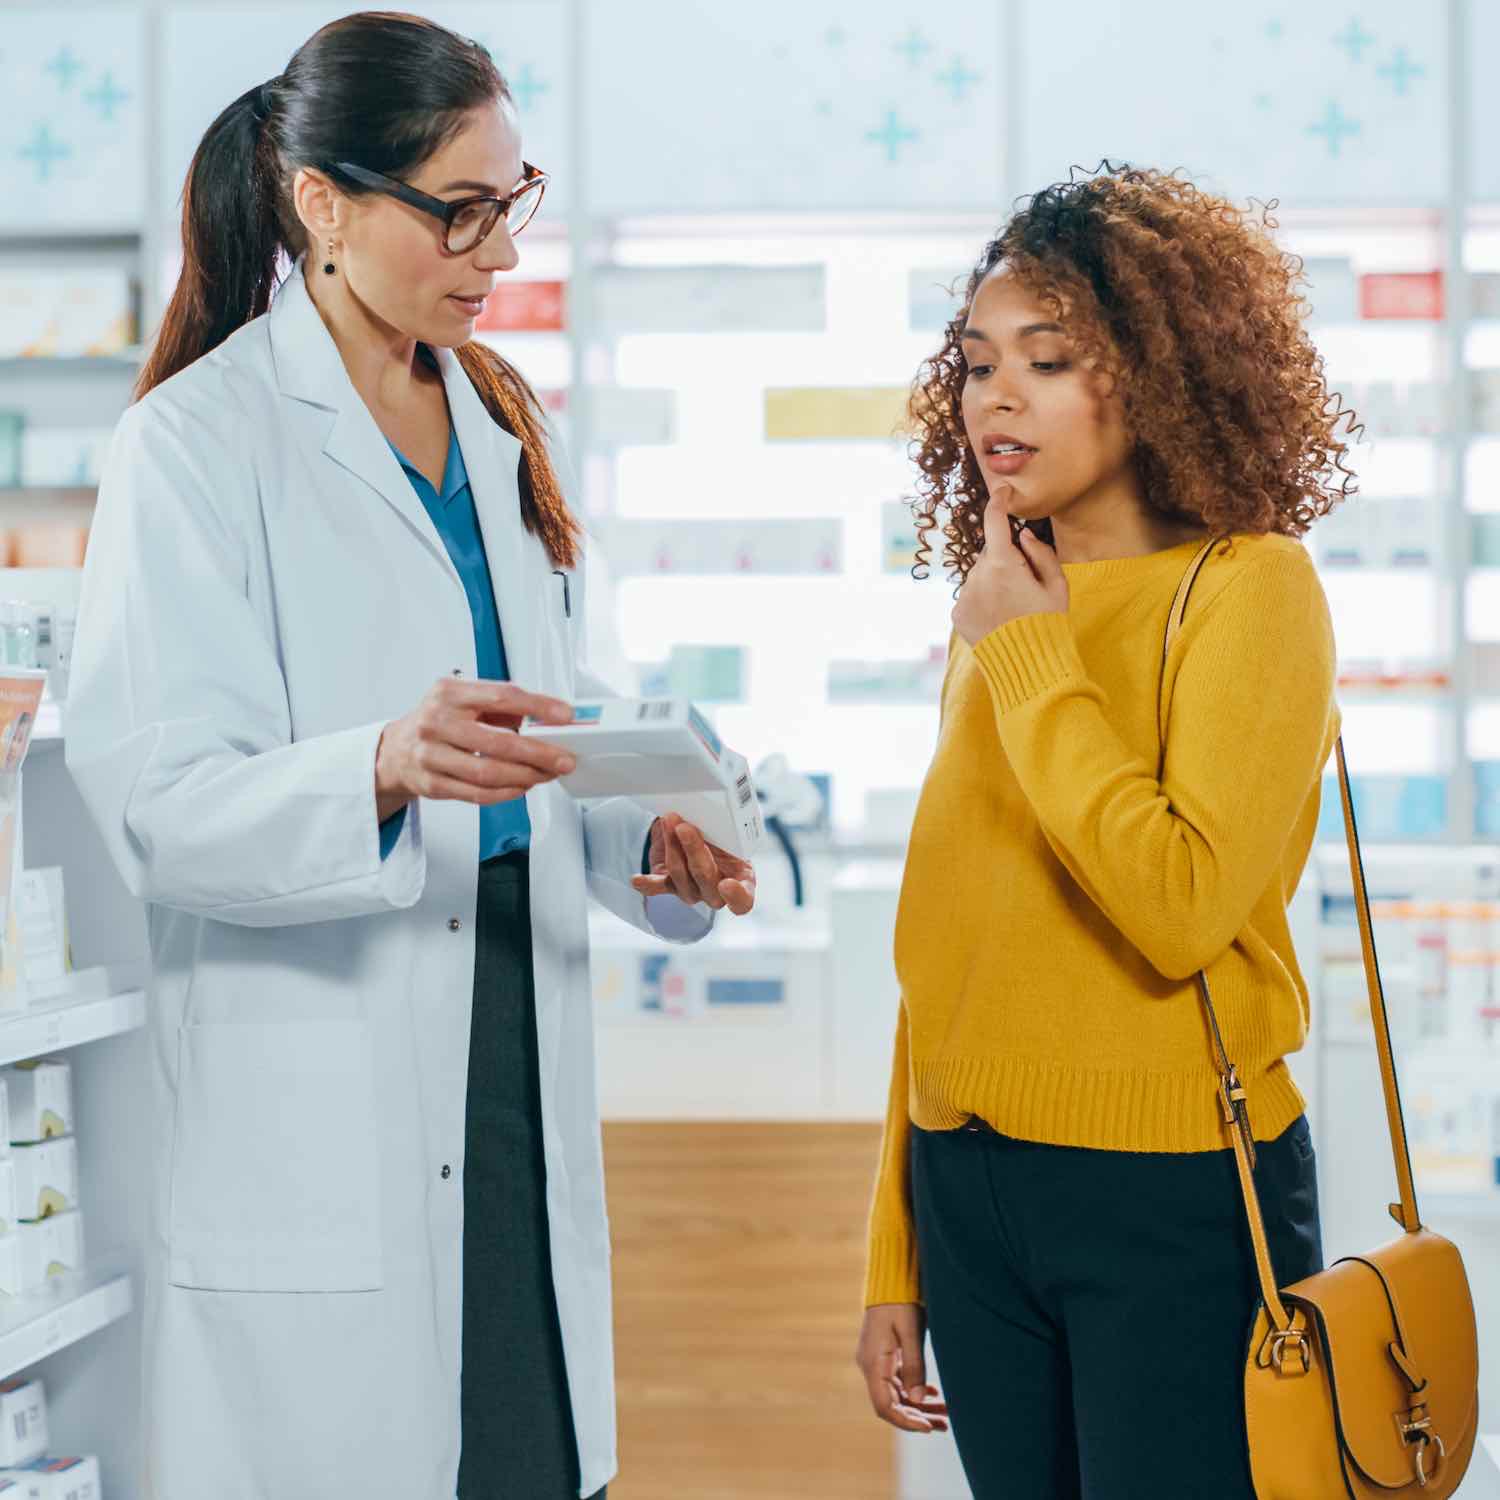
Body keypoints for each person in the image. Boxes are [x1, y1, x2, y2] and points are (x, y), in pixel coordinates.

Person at [64, 13, 755, 1499]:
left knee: (529, 1448)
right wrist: (377, 766)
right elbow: (159, 808)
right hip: (332, 1069)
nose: (497, 251)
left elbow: (540, 713)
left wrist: (644, 835)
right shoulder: (197, 443)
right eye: (460, 209)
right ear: (322, 203)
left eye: (513, 202)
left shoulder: (499, 416)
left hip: (510, 1025)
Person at [854, 163, 1353, 1498]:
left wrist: (1031, 661)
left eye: (1048, 360)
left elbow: (1179, 903)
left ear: (1154, 377)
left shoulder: (1251, 589)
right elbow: (952, 943)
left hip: (1170, 1191)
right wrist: (896, 1252)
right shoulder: (1006, 599)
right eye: (976, 364)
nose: (995, 398)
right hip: (969, 1192)